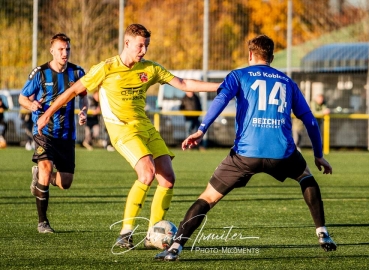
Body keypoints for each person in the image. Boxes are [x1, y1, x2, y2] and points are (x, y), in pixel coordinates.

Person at [36, 24, 220, 248]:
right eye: (140, 45)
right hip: (121, 129)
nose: (144, 50)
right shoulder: (106, 67)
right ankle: (126, 232)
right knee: (147, 173)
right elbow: (72, 91)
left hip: (145, 127)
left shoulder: (150, 69)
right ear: (127, 43)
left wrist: (222, 86)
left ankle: (153, 234)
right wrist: (47, 114)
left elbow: (184, 84)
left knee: (168, 179)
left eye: (147, 46)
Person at [155, 35, 336, 261]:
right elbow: (309, 120)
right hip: (282, 153)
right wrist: (319, 155)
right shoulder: (287, 81)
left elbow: (220, 100)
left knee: (208, 198)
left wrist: (202, 129)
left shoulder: (239, 75)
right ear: (271, 57)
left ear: (250, 55)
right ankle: (323, 233)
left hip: (244, 156)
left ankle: (175, 248)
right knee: (306, 177)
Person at [19, 33, 88, 233]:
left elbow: (85, 96)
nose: (64, 53)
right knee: (47, 168)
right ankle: (43, 222)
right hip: (44, 131)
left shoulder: (77, 72)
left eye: (67, 49)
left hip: (66, 135)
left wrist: (83, 111)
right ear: (52, 51)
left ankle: (41, 176)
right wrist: (32, 104)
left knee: (65, 183)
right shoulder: (40, 73)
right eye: (60, 49)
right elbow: (22, 98)